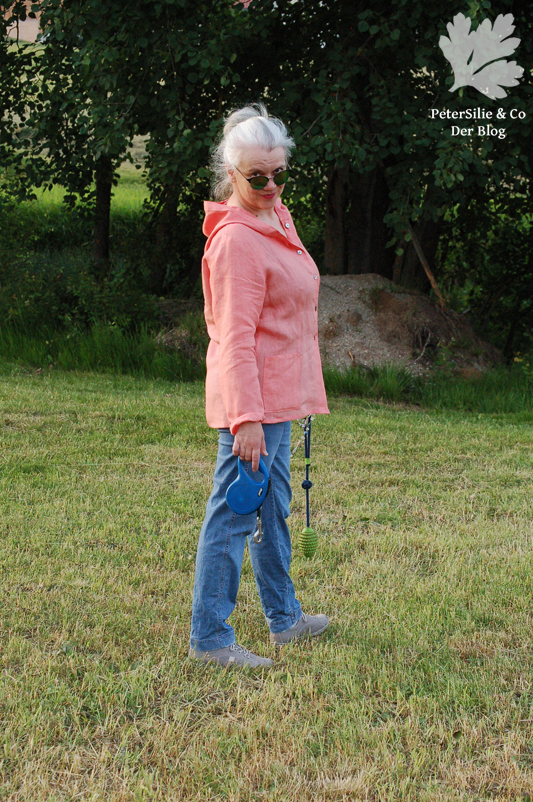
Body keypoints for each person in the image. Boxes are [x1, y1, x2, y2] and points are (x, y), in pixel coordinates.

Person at [189, 103, 330, 668]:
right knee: (234, 514)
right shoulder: (237, 242)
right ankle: (210, 639)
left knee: (272, 510)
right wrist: (245, 418)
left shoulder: (276, 217)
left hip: (280, 396)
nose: (270, 186)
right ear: (232, 174)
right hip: (253, 403)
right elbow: (235, 339)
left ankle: (285, 618)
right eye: (257, 177)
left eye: (279, 174)